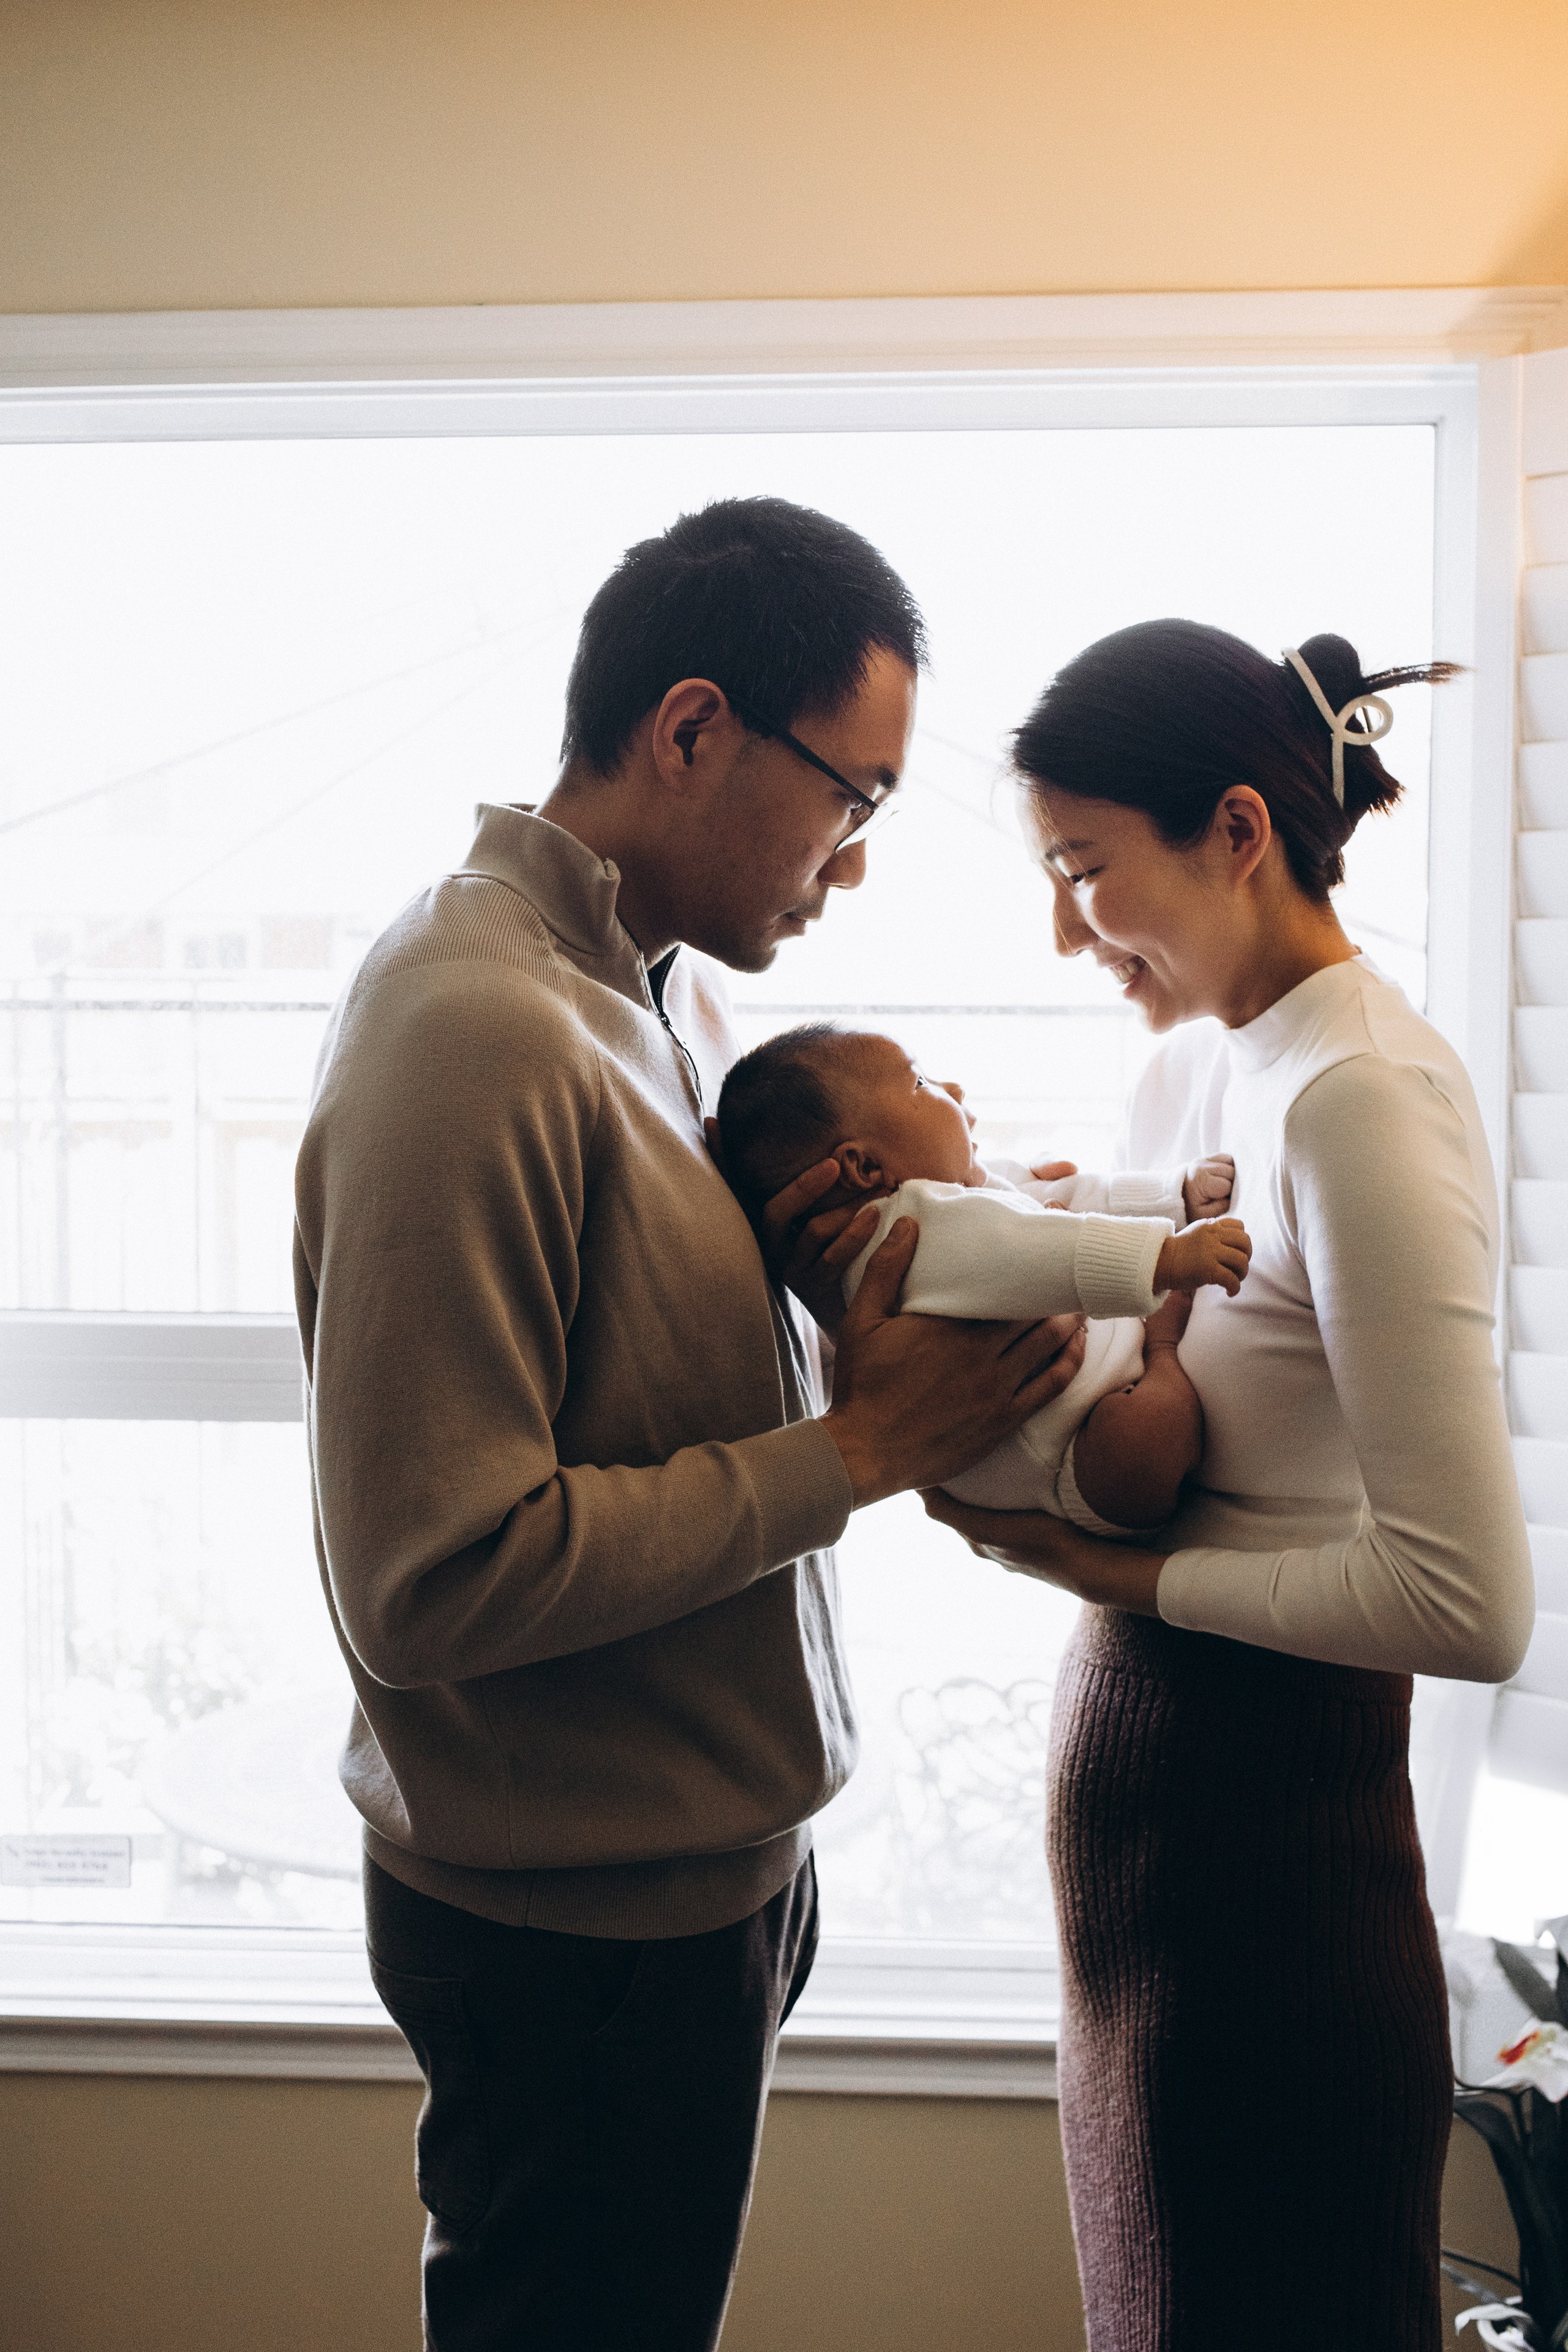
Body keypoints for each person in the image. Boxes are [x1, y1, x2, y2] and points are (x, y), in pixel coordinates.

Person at [292, 496, 1087, 2352]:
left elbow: (622, 1381)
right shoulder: (474, 1023)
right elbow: (429, 1580)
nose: (852, 865)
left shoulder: (635, 998)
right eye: (853, 798)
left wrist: (837, 1301)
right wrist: (857, 1450)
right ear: (692, 728)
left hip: (676, 1899)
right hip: (578, 1943)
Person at [916, 620, 1535, 2350]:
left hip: (1279, 1882)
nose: (1065, 929)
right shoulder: (1193, 1069)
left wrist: (1106, 1578)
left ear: (1239, 830)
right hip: (1153, 1879)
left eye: (1083, 869)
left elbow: (1465, 1603)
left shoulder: (1359, 1100)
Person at [716, 1020, 1249, 1529]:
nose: (953, 1089)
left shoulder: (955, 1192)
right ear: (866, 1167)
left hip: (1083, 1391)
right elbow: (1026, 1248)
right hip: (1068, 1451)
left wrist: (1172, 1195)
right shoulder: (907, 1233)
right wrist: (1167, 1258)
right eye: (920, 1084)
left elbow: (1055, 1199)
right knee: (1144, 1449)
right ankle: (1163, 1349)